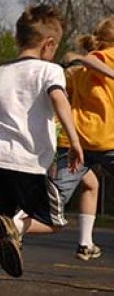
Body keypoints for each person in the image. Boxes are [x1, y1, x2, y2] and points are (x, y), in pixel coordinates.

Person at [0, 5, 83, 296]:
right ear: (49, 45)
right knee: (54, 221)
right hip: (29, 163)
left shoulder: (0, 72)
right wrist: (74, 140)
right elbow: (58, 98)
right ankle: (16, 227)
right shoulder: (50, 70)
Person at [53, 16, 114, 261]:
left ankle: (85, 243)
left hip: (78, 142)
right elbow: (85, 59)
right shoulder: (106, 56)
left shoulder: (80, 73)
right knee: (52, 203)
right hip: (102, 141)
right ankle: (14, 226)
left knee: (90, 185)